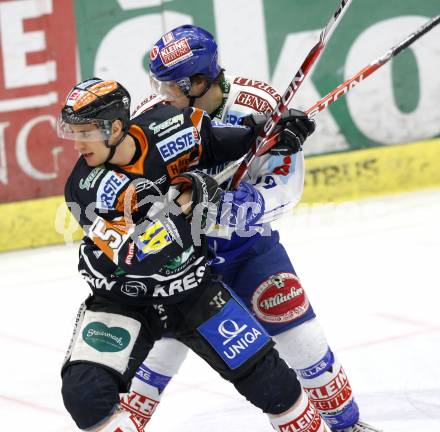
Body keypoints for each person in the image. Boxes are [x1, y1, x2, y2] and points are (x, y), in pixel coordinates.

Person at [119, 25, 382, 432]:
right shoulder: (154, 116)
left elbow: (285, 187)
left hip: (246, 250)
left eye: (171, 85)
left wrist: (249, 204)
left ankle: (347, 426)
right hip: (179, 262)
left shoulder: (262, 106)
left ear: (200, 81)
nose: (161, 92)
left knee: (305, 343)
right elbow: (128, 181)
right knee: (153, 363)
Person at [58, 77, 329, 431]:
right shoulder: (86, 188)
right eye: (73, 133)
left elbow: (217, 145)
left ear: (117, 128)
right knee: (85, 394)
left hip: (191, 289)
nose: (77, 145)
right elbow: (135, 256)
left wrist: (271, 133)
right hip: (124, 298)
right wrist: (190, 206)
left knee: (275, 385)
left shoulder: (168, 127)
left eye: (86, 133)